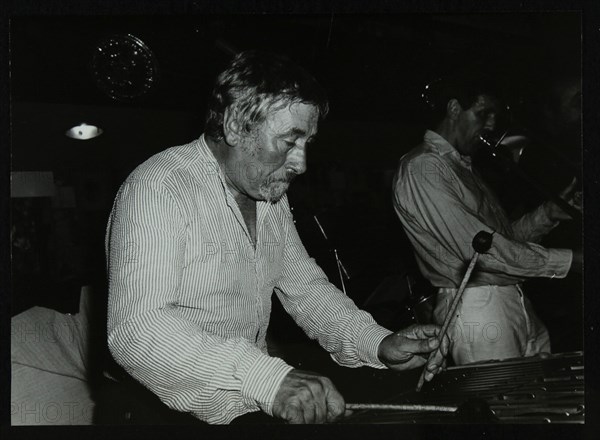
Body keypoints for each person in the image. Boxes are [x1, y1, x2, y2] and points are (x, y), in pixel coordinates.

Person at [103, 50, 448, 425]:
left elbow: (307, 290)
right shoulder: (159, 188)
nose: (301, 163)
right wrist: (268, 377)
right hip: (159, 419)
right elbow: (137, 330)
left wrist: (379, 343)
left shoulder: (268, 196)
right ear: (236, 125)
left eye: (307, 143)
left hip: (243, 413)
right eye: (289, 141)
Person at [392, 76, 582, 366]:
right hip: (478, 310)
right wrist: (573, 261)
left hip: (510, 300)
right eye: (483, 113)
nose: (492, 124)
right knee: (500, 407)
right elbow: (482, 253)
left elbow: (501, 240)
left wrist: (548, 215)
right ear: (454, 108)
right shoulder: (424, 167)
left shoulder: (461, 166)